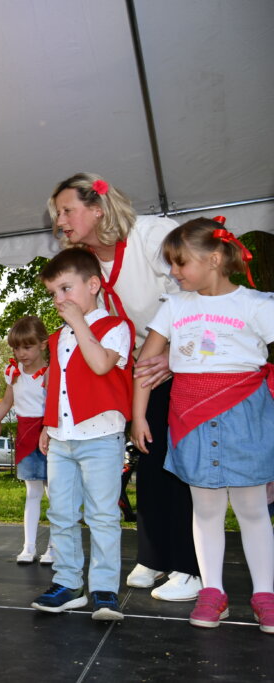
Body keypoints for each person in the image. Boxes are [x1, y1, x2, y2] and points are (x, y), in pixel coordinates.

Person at [49, 173, 200, 601]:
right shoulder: (87, 264)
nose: (60, 221)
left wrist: (177, 354)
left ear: (97, 208)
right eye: (57, 214)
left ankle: (190, 566)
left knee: (178, 460)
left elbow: (198, 285)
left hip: (184, 357)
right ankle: (154, 556)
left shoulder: (151, 235)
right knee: (148, 452)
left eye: (66, 210)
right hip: (145, 367)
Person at [131, 218, 274, 633]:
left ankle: (264, 594)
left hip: (245, 414)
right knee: (206, 509)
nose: (174, 272)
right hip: (191, 416)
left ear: (214, 259)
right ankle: (213, 591)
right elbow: (146, 363)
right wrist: (139, 415)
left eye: (180, 263)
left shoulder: (257, 304)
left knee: (252, 509)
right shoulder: (174, 305)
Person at [31, 248, 131, 621]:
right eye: (54, 293)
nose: (59, 300)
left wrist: (81, 325)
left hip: (101, 436)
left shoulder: (115, 327)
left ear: (93, 284)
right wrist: (46, 424)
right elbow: (56, 385)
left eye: (66, 289)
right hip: (62, 436)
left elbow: (102, 364)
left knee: (103, 514)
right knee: (60, 512)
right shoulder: (57, 338)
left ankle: (103, 589)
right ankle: (68, 582)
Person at [0, 316, 54, 564]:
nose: (21, 353)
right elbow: (7, 403)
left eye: (27, 347)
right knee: (32, 491)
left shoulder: (50, 372)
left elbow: (56, 405)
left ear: (43, 345)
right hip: (24, 433)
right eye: (16, 347)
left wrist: (50, 429)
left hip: (48, 433)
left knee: (53, 493)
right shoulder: (13, 372)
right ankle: (28, 546)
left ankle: (54, 547)